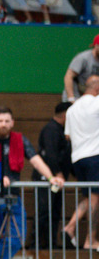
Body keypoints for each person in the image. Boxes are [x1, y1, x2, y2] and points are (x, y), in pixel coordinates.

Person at [0, 107, 64, 259]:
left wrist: (50, 177)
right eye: (0, 121)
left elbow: (35, 159)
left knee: (18, 237)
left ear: (12, 123)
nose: (4, 124)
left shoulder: (20, 140)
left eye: (7, 121)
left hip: (14, 197)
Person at [63, 75, 99, 249]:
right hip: (95, 156)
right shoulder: (97, 102)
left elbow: (67, 135)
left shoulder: (71, 109)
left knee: (88, 196)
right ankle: (89, 240)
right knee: (94, 199)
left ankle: (70, 228)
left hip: (77, 158)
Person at [33, 101, 74, 249]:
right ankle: (35, 245)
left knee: (54, 212)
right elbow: (50, 155)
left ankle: (51, 243)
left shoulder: (62, 132)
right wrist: (58, 173)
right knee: (44, 211)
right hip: (47, 179)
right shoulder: (51, 130)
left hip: (58, 180)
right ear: (65, 116)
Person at [64, 35, 99, 102]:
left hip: (90, 96)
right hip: (76, 94)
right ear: (96, 45)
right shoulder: (83, 58)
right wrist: (71, 98)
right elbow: (68, 76)